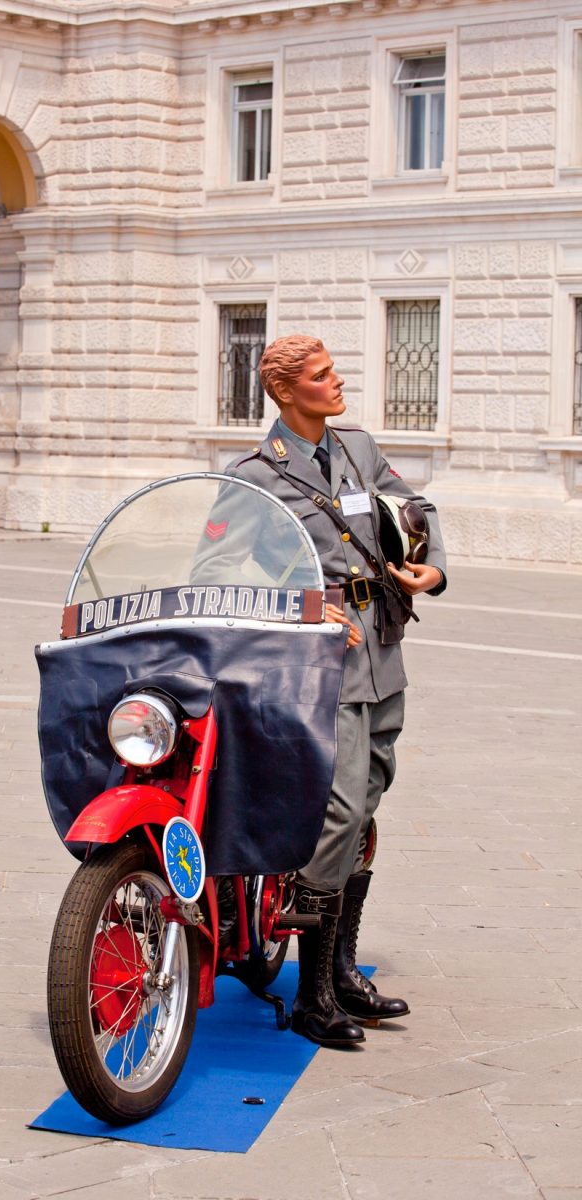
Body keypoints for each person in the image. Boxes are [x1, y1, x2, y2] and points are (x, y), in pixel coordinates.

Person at [223, 334, 447, 1048]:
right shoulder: (254, 475)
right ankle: (313, 997)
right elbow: (220, 570)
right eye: (322, 375)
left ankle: (341, 969)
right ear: (287, 392)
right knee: (341, 809)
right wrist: (305, 607)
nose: (337, 381)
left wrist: (431, 566)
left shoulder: (357, 448)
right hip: (319, 662)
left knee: (368, 803)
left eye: (332, 370)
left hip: (381, 646)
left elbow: (413, 507)